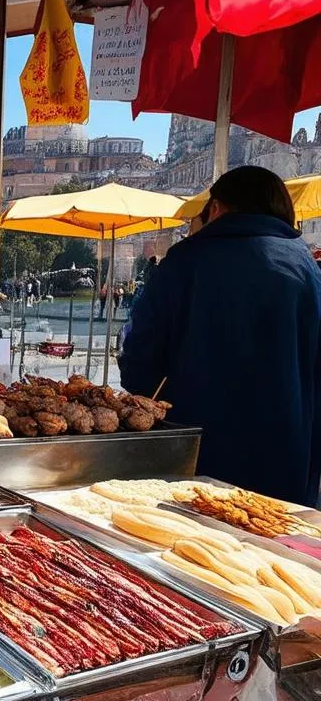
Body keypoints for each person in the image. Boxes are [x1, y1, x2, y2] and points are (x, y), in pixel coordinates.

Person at [120, 165, 321, 506]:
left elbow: (140, 362)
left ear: (215, 208)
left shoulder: (185, 262)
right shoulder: (309, 270)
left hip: (197, 459)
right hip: (290, 462)